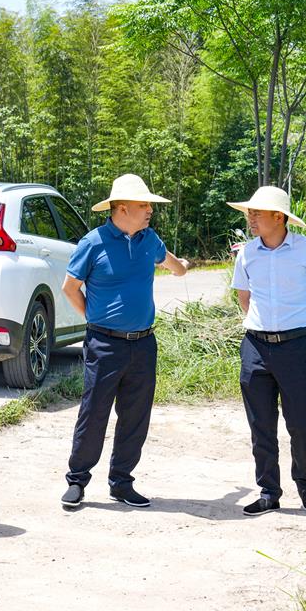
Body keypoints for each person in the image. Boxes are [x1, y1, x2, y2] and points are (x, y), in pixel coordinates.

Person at [60, 174, 189, 509]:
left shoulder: (150, 240)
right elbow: (70, 288)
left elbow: (175, 267)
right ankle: (77, 481)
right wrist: (94, 317)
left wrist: (182, 267)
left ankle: (121, 482)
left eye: (149, 205)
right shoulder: (93, 242)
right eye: (143, 204)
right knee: (94, 412)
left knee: (135, 416)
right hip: (104, 344)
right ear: (121, 208)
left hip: (144, 344)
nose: (150, 210)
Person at [227, 186, 306, 516]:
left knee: (300, 422)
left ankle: (305, 483)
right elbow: (244, 297)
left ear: (279, 217)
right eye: (249, 212)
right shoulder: (247, 253)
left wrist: (293, 324)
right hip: (255, 346)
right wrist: (262, 327)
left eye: (257, 212)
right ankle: (269, 491)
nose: (250, 217)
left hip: (295, 346)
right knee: (261, 424)